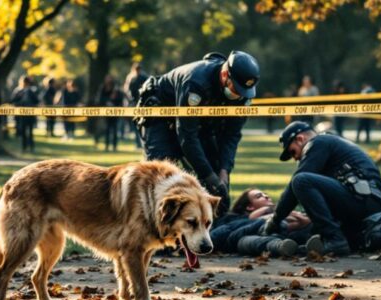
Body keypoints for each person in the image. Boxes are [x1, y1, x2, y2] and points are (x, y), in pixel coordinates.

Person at [135, 50, 260, 217]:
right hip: (160, 115)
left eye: (242, 92)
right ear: (224, 75)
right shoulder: (196, 83)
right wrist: (209, 176)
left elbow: (231, 135)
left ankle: (215, 226)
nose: (238, 95)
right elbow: (187, 136)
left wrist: (223, 172)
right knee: (161, 175)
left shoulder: (244, 95)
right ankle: (159, 229)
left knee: (216, 174)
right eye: (235, 89)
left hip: (199, 122)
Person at [260, 121, 381, 256]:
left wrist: (274, 221)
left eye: (292, 152)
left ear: (300, 139)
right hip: (368, 201)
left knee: (301, 180)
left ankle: (335, 240)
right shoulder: (331, 143)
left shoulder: (318, 142)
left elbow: (294, 188)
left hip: (363, 200)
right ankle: (336, 240)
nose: (295, 158)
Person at [210, 188, 318, 257]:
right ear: (249, 206)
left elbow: (302, 222)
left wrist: (300, 220)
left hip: (280, 234)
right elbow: (221, 235)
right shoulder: (235, 218)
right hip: (246, 238)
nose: (266, 196)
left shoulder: (283, 213)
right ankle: (282, 247)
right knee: (250, 241)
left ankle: (306, 248)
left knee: (300, 231)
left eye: (265, 194)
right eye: (259, 196)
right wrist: (264, 217)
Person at [95, 75, 124, 152]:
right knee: (107, 129)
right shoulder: (103, 88)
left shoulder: (116, 88)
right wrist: (107, 101)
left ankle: (114, 146)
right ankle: (107, 145)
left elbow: (120, 99)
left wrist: (115, 100)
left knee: (114, 129)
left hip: (115, 111)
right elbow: (100, 99)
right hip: (106, 111)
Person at [11, 75, 39, 153]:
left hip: (30, 114)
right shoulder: (17, 90)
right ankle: (24, 147)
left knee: (30, 132)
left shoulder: (31, 91)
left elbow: (36, 100)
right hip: (21, 115)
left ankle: (31, 147)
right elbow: (13, 100)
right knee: (23, 131)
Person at [123, 62, 148, 147]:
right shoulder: (131, 78)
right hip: (133, 103)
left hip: (142, 103)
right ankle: (138, 143)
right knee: (136, 125)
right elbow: (127, 90)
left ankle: (142, 142)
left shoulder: (144, 77)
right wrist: (130, 100)